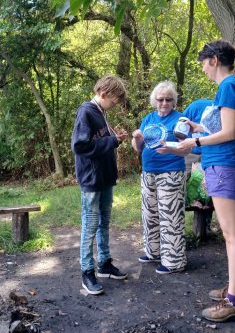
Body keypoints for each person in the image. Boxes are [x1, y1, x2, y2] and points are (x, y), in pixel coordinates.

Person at [174, 40, 235, 322]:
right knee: (233, 235)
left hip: (224, 166)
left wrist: (193, 140)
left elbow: (229, 132)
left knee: (232, 236)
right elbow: (224, 128)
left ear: (213, 59)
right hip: (225, 165)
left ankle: (234, 301)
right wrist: (199, 128)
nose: (203, 69)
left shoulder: (229, 86)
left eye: (203, 63)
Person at [71, 75, 129, 295]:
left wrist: (115, 138)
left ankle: (104, 263)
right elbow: (80, 146)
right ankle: (87, 271)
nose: (115, 105)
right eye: (114, 100)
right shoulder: (86, 111)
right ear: (103, 94)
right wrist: (112, 141)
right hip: (92, 180)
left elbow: (100, 142)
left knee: (104, 222)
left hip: (105, 178)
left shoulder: (101, 112)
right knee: (91, 224)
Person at [131, 81, 187, 274]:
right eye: (160, 99)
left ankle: (174, 261)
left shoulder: (180, 120)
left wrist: (171, 147)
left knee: (170, 217)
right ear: (154, 101)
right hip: (148, 172)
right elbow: (138, 148)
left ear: (174, 101)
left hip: (170, 172)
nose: (164, 103)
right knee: (150, 213)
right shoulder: (148, 118)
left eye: (168, 99)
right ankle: (153, 252)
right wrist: (137, 137)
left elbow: (187, 148)